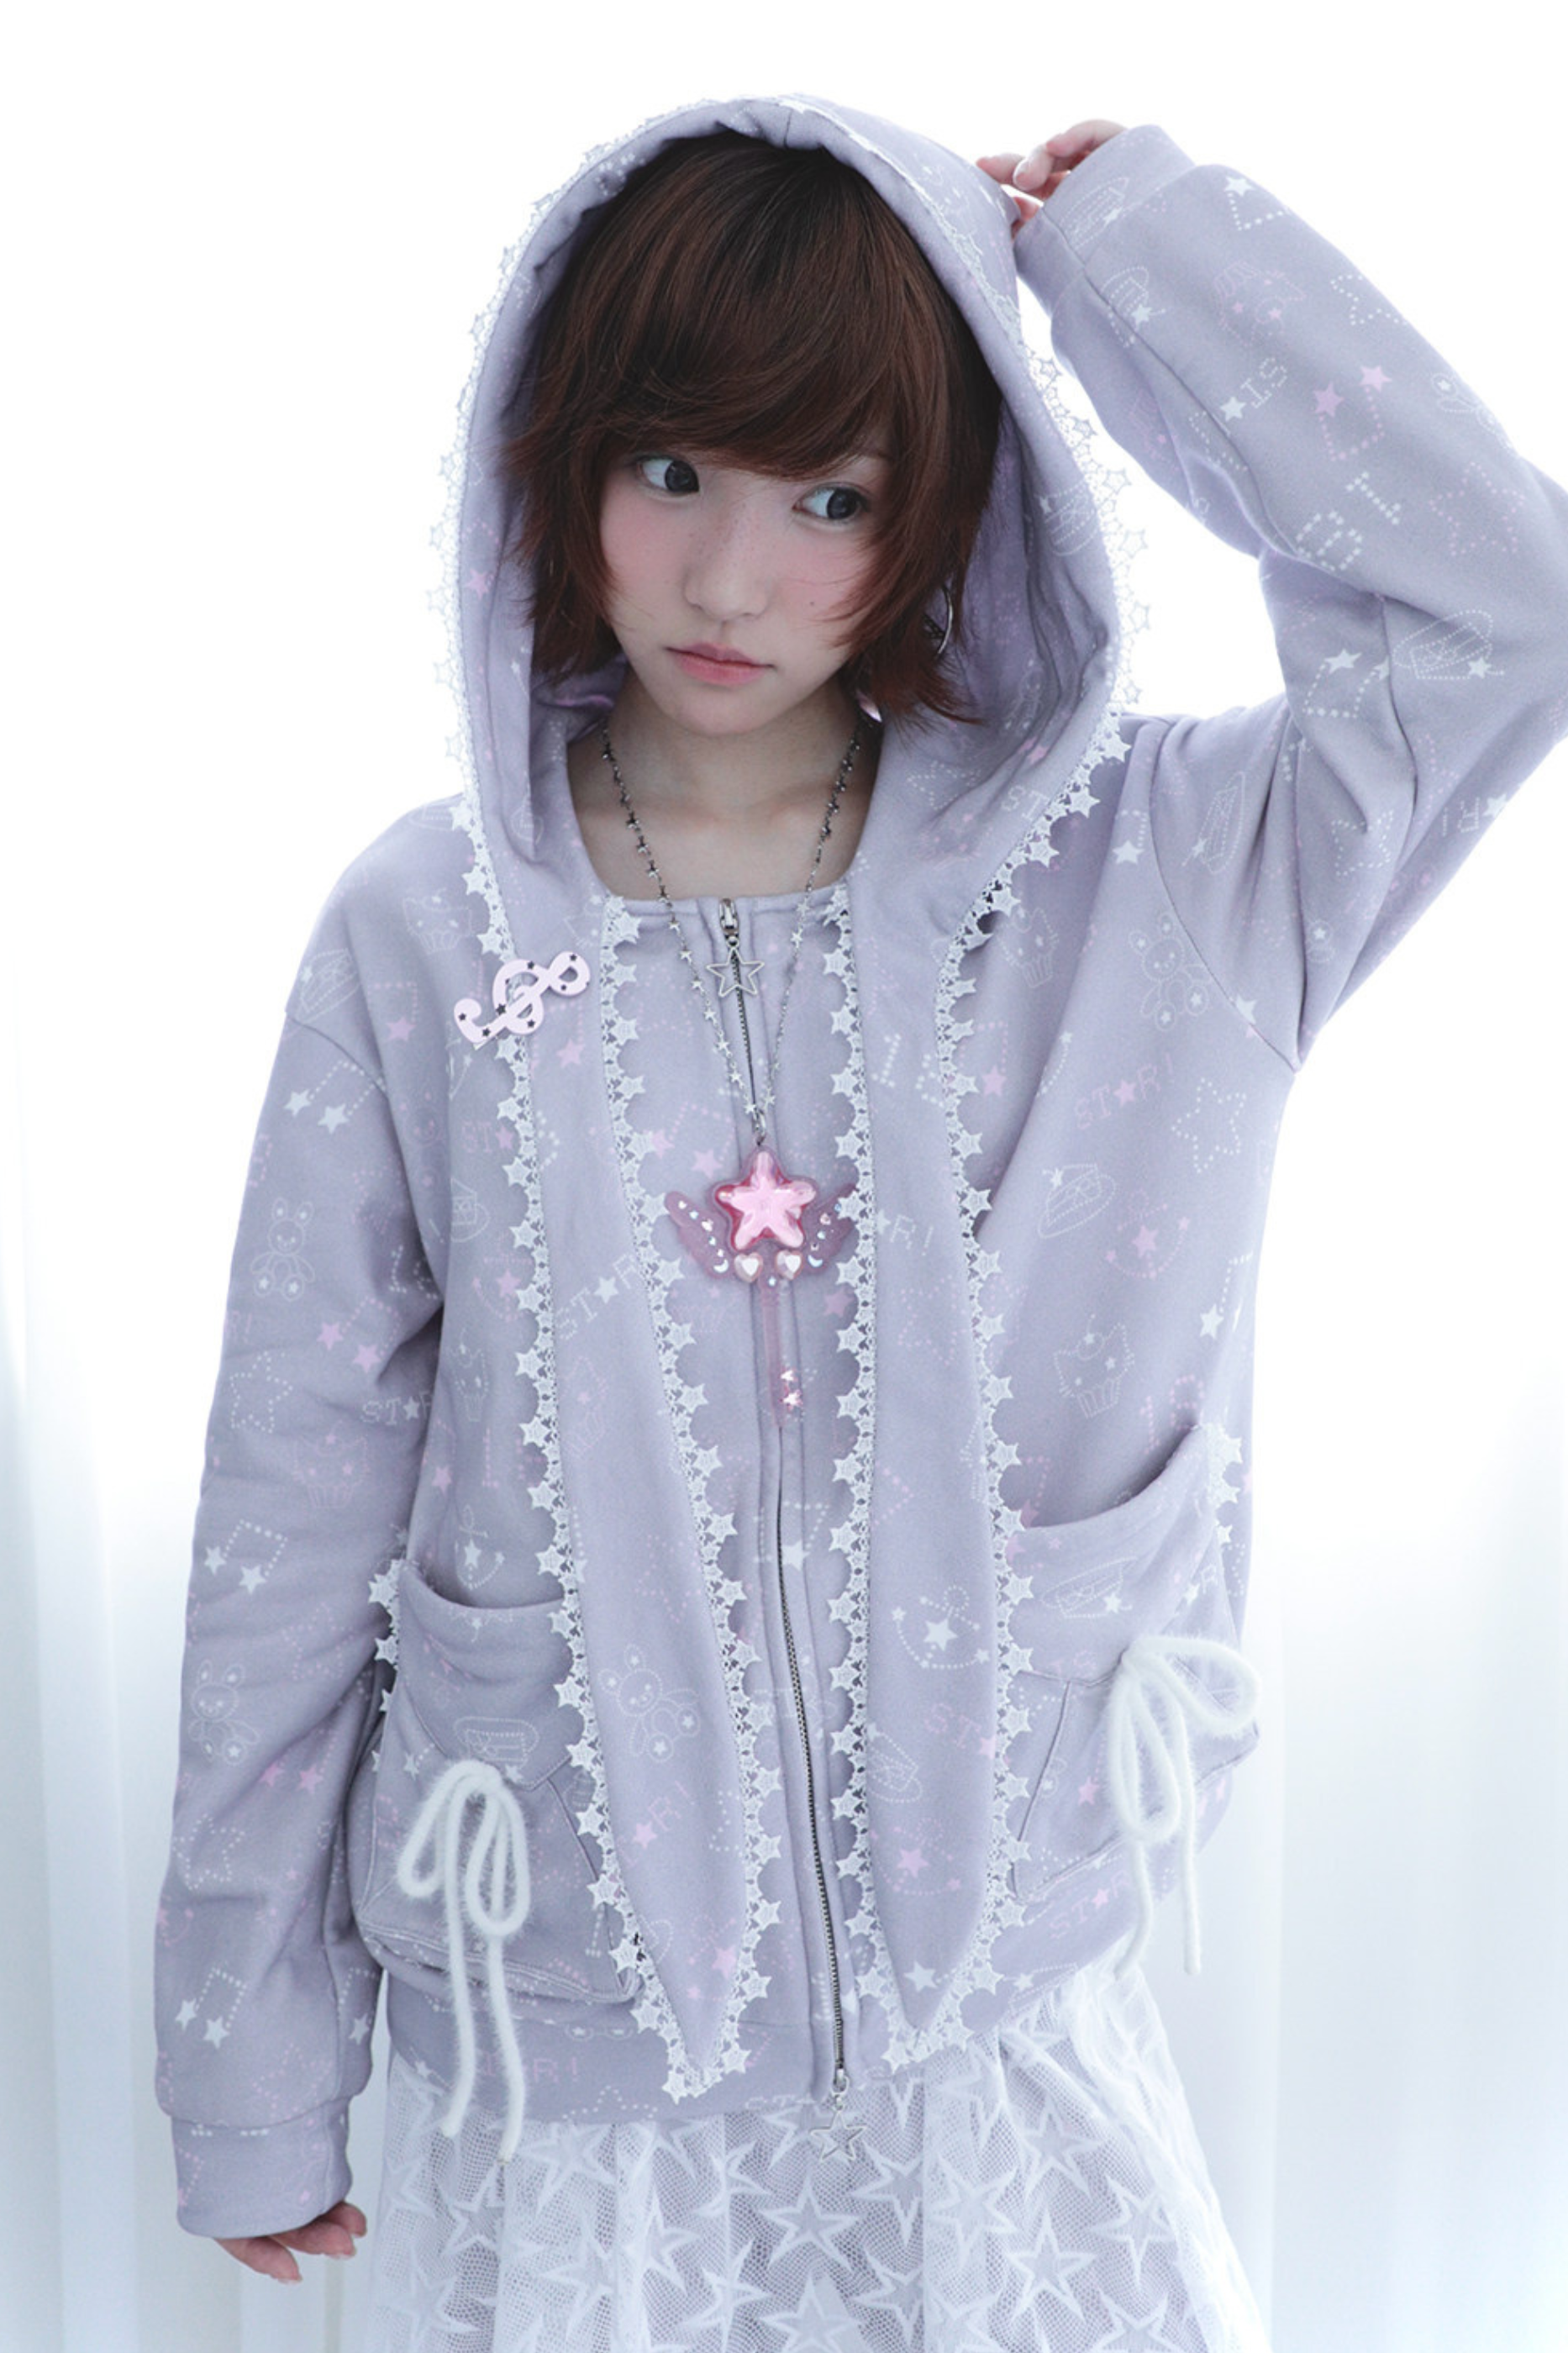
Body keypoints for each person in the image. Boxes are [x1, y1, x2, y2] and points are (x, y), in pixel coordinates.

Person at [155, 96, 1568, 2352]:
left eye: (835, 495)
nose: (733, 581)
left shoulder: (1173, 871)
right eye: (671, 472)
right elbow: (288, 1514)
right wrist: (246, 2054)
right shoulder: (427, 932)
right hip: (576, 2053)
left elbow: (1504, 602)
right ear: (555, 458)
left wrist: (1149, 261)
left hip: (1003, 2040)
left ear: (953, 505)